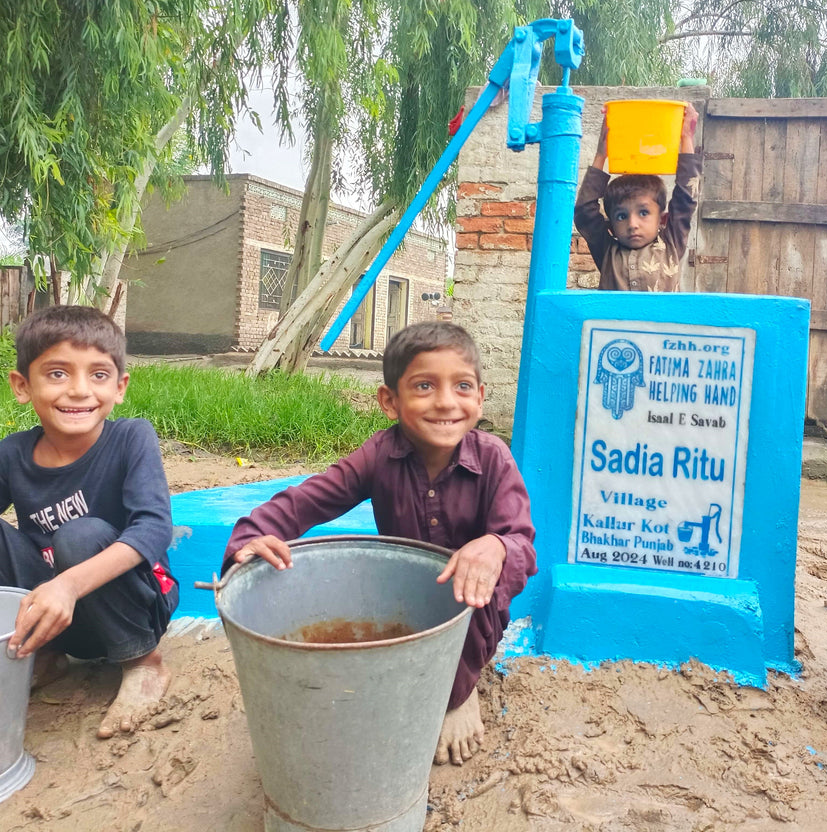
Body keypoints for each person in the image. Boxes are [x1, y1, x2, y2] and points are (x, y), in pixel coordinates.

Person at [223, 321, 536, 766]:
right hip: (404, 601)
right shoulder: (378, 456)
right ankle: (424, 677)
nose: (446, 402)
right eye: (424, 386)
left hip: (472, 612)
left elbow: (522, 543)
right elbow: (306, 501)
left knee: (470, 591)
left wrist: (497, 547)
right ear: (390, 401)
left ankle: (459, 695)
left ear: (480, 398)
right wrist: (252, 537)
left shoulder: (494, 460)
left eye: (462, 386)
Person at [1, 305, 177, 739]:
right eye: (57, 373)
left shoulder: (131, 438)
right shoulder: (12, 454)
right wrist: (56, 590)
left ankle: (143, 666)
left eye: (98, 375)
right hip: (53, 617)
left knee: (80, 534)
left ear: (119, 387)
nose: (79, 390)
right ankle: (45, 655)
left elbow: (153, 527)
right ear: (22, 386)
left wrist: (69, 584)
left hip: (135, 608)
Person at [574, 102, 702, 292]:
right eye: (621, 216)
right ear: (611, 226)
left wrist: (686, 138)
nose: (632, 224)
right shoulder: (607, 251)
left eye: (643, 212)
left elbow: (685, 198)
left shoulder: (671, 244)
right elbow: (585, 211)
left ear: (662, 219)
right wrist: (602, 155)